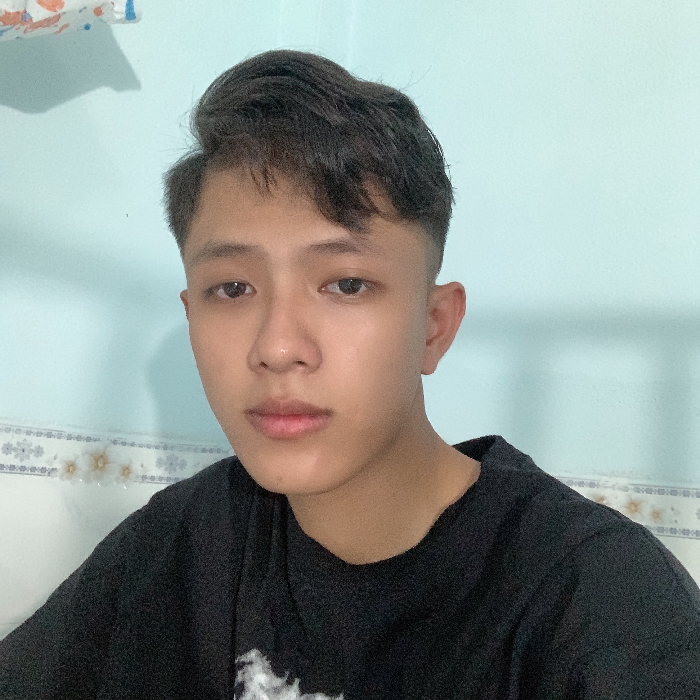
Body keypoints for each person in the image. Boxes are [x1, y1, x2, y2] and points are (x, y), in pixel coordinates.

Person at [1, 49, 699, 700]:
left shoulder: (599, 600)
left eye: (346, 284)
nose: (278, 347)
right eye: (232, 289)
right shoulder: (183, 541)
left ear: (434, 326)